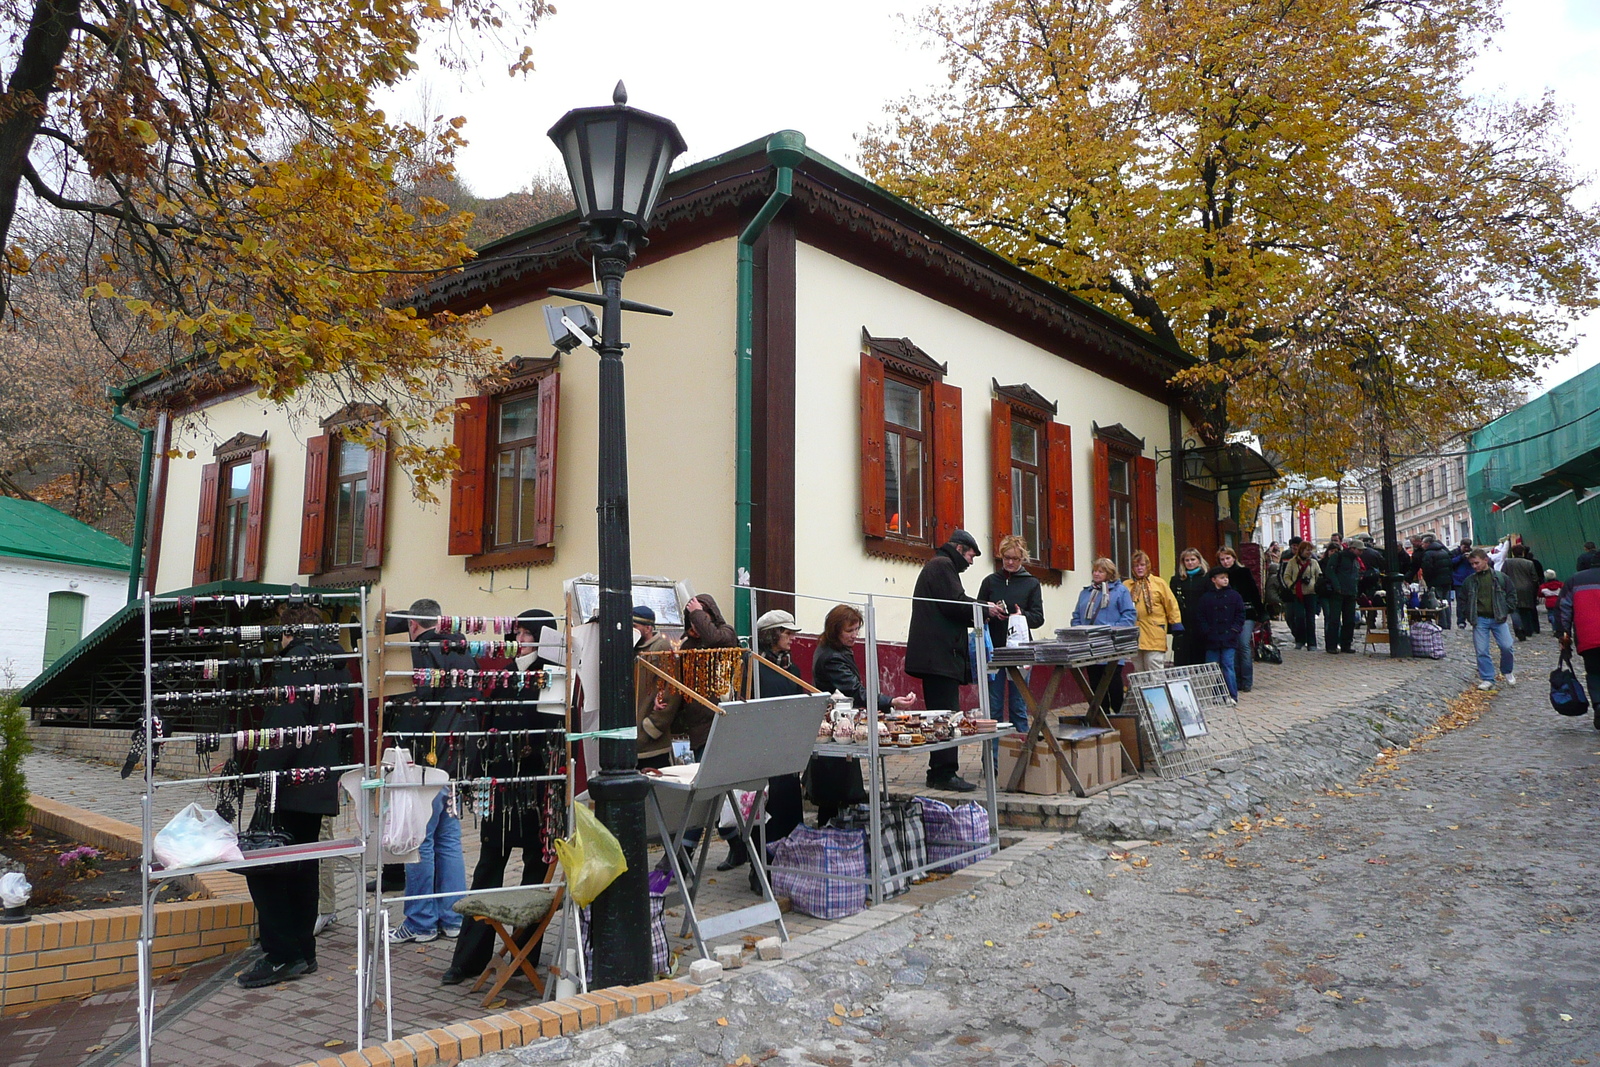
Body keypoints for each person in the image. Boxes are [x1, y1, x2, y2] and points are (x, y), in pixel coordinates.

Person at [441, 609, 560, 986]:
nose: (520, 640)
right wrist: (480, 771)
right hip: (501, 783)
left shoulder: (555, 672)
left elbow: (554, 727)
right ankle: (469, 959)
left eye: (527, 634)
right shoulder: (505, 673)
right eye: (518, 633)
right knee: (488, 866)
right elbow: (487, 723)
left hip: (537, 784)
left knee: (534, 868)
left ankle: (524, 952)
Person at [238, 603, 349, 988]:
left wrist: (262, 770)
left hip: (287, 780)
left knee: (265, 866)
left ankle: (281, 954)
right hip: (319, 778)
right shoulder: (338, 661)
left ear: (287, 632)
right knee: (302, 866)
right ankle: (303, 952)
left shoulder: (296, 660)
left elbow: (288, 722)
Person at [387, 598, 475, 944]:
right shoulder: (464, 648)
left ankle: (421, 921)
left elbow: (419, 701)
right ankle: (453, 918)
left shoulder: (419, 651)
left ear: (413, 625)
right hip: (458, 751)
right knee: (449, 838)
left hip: (427, 753)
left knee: (419, 837)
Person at [905, 529, 1004, 792]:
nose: (971, 563)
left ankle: (941, 770)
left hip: (938, 657)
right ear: (960, 549)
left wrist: (981, 608)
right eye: (971, 556)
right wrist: (986, 609)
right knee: (945, 716)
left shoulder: (941, 566)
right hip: (938, 658)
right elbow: (955, 603)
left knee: (943, 714)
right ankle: (943, 773)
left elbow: (954, 603)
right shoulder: (942, 566)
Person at [811, 603, 917, 824]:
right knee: (835, 794)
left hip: (840, 723)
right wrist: (890, 701)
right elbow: (854, 690)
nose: (854, 635)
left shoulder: (836, 650)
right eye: (849, 631)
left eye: (857, 629)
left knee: (838, 792)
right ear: (835, 630)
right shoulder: (832, 657)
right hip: (835, 726)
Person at [723, 609, 811, 876]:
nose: (792, 638)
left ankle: (785, 863)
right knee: (766, 811)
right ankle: (760, 868)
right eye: (787, 632)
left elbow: (798, 700)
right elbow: (743, 704)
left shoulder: (790, 667)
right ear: (772, 635)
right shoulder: (752, 667)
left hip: (786, 749)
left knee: (788, 808)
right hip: (762, 750)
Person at [976, 534, 1045, 740]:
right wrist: (989, 611)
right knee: (994, 707)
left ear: (1022, 558)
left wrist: (1021, 616)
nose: (1010, 562)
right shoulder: (990, 582)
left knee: (1018, 706)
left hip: (1020, 651)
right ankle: (994, 762)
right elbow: (976, 611)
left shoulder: (1031, 583)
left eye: (1015, 558)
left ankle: (1021, 759)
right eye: (1006, 558)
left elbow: (1038, 617)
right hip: (994, 651)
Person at [1070, 557, 1138, 714]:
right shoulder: (1086, 592)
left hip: (1112, 646)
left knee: (1113, 684)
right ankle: (1102, 716)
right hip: (1090, 646)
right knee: (1095, 685)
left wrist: (1113, 631)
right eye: (1095, 570)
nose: (1096, 574)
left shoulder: (1120, 591)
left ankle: (1121, 716)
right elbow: (1076, 615)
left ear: (1110, 573)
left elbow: (1129, 615)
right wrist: (1078, 630)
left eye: (1101, 571)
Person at [1461, 549, 1516, 691]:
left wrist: (1507, 608)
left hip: (1498, 617)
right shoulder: (1470, 581)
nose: (1474, 566)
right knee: (1481, 650)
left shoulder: (1500, 577)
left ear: (1486, 560)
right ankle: (1487, 678)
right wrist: (1463, 617)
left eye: (1476, 563)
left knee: (1507, 646)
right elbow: (1463, 600)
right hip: (1479, 618)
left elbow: (1511, 594)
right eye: (1472, 564)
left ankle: (1507, 670)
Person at [630, 605, 677, 768]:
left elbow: (672, 688)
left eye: (635, 627)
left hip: (652, 743)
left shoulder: (660, 648)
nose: (632, 631)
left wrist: (652, 726)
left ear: (648, 628)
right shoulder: (632, 650)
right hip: (632, 741)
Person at [1558, 561, 1600, 728]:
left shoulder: (1575, 580)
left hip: (1588, 637)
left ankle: (1598, 703)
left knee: (1594, 673)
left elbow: (1563, 609)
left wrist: (1563, 635)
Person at [1125, 549, 1181, 674]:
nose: (1139, 568)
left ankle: (1159, 693)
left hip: (1154, 632)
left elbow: (1171, 603)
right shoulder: (1127, 585)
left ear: (1148, 566)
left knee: (1154, 666)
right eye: (1136, 565)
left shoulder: (1158, 583)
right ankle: (1142, 693)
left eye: (1142, 565)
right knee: (1138, 670)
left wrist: (1176, 622)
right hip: (1134, 634)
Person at [1214, 547, 1262, 691]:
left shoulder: (1243, 572)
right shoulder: (1218, 575)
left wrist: (1261, 612)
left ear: (1234, 558)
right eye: (1222, 559)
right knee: (1232, 647)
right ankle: (1235, 681)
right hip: (1228, 616)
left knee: (1244, 645)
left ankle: (1246, 680)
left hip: (1246, 613)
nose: (1225, 562)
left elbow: (1254, 592)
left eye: (1228, 558)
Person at [1196, 567, 1246, 703]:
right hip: (1212, 639)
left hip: (1229, 638)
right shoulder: (1206, 598)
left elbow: (1240, 614)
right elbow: (1201, 617)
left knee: (1228, 665)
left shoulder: (1234, 596)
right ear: (1214, 580)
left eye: (1226, 577)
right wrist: (1206, 632)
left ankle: (1231, 695)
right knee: (1212, 667)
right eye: (1221, 577)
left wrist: (1235, 630)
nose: (1225, 580)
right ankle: (1217, 694)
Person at [1170, 547, 1212, 666]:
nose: (1190, 563)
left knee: (1200, 657)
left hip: (1201, 622)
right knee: (1182, 658)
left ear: (1199, 560)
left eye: (1193, 559)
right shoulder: (1176, 580)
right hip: (1183, 623)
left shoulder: (1207, 578)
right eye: (1187, 560)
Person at [1279, 540, 1321, 651]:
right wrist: (1291, 585)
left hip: (1311, 593)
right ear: (1301, 550)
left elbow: (1319, 575)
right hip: (1297, 593)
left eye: (1310, 550)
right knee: (1299, 618)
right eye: (1307, 550)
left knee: (1310, 619)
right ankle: (1300, 640)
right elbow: (1286, 576)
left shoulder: (1313, 562)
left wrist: (1315, 585)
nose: (1309, 552)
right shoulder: (1292, 562)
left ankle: (1312, 643)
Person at [1322, 540, 1360, 653]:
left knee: (1349, 620)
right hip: (1338, 593)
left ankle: (1346, 645)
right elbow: (1330, 572)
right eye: (1360, 550)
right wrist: (1337, 586)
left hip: (1350, 593)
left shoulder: (1355, 560)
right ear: (1352, 549)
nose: (1361, 552)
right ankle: (1331, 646)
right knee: (1334, 620)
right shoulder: (1339, 557)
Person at [1501, 544, 1541, 640]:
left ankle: (1518, 628)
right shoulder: (1529, 563)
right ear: (1522, 552)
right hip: (1527, 589)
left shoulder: (1507, 563)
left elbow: (1503, 575)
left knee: (1514, 609)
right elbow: (1534, 578)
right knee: (1526, 610)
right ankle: (1528, 630)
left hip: (1512, 588)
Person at [1416, 533, 1454, 629]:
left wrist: (1428, 581)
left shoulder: (1428, 554)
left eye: (1423, 543)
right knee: (1446, 603)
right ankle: (1447, 623)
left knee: (1436, 603)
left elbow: (1427, 569)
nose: (1422, 545)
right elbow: (1450, 565)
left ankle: (1442, 623)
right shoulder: (1444, 551)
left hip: (1435, 581)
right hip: (1447, 580)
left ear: (1428, 543)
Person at [1450, 539, 1474, 629]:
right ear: (1461, 545)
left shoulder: (1473, 552)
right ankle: (1461, 621)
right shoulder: (1455, 553)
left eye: (1468, 547)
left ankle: (1472, 619)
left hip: (1471, 580)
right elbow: (1451, 563)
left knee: (1471, 601)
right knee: (1460, 603)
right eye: (1465, 547)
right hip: (1458, 581)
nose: (1466, 549)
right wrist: (1461, 557)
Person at [1262, 546, 1284, 622]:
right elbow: (1279, 587)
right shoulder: (1275, 577)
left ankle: (1274, 614)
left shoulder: (1268, 577)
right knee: (1285, 602)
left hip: (1267, 598)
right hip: (1273, 598)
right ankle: (1281, 615)